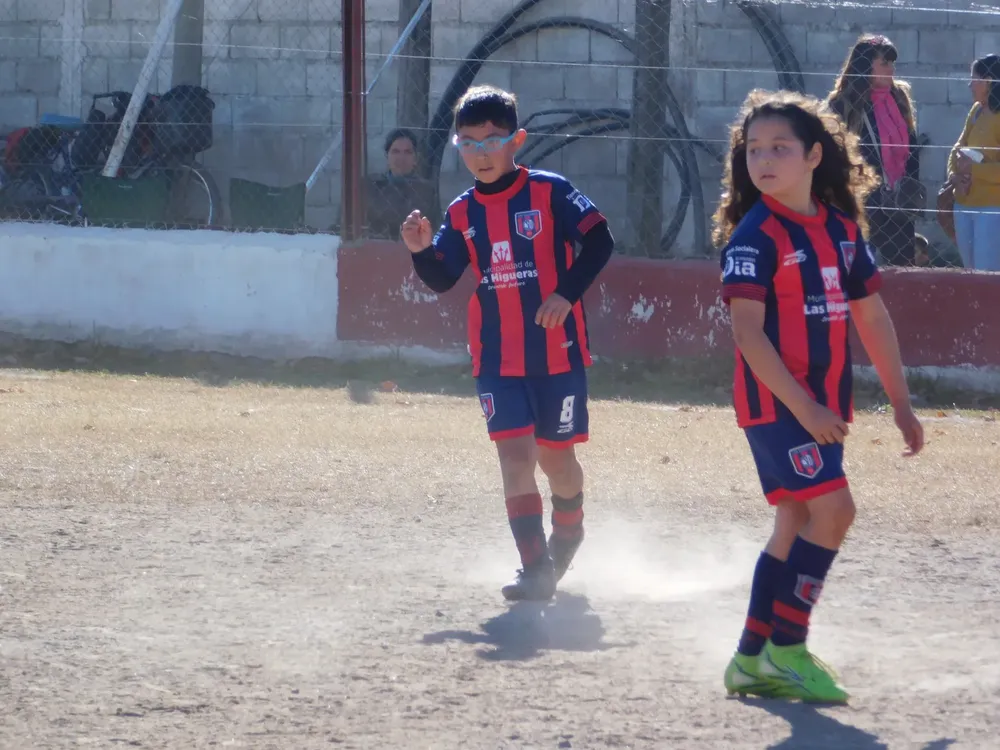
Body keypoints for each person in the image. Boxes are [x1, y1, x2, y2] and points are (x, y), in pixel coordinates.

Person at [714, 89, 924, 703]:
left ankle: (750, 659)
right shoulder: (755, 236)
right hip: (780, 405)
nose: (765, 159)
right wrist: (803, 408)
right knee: (835, 512)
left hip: (820, 404)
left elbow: (873, 317)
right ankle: (789, 647)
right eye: (754, 149)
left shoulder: (839, 230)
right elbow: (747, 335)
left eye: (780, 147)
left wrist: (902, 402)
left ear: (813, 156)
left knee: (798, 518)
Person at [400, 85, 615, 601]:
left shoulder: (550, 191)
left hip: (556, 352)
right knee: (515, 459)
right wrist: (420, 252)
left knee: (555, 459)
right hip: (496, 356)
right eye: (468, 143)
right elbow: (444, 277)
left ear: (516, 140)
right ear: (458, 147)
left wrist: (565, 294)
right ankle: (535, 567)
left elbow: (600, 240)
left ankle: (571, 528)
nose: (480, 152)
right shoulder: (460, 212)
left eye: (491, 140)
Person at [828, 34, 922, 266]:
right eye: (884, 63)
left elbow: (911, 144)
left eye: (892, 64)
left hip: (897, 200)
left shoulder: (899, 96)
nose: (891, 69)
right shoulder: (844, 102)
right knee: (859, 266)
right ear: (864, 66)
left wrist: (910, 186)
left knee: (901, 266)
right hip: (860, 200)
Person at [947, 54, 1000, 271]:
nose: (970, 85)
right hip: (964, 203)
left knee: (986, 275)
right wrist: (954, 176)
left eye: (974, 79)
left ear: (988, 82)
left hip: (991, 208)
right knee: (969, 273)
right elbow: (956, 148)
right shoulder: (977, 111)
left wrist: (974, 171)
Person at [364, 128, 439, 239]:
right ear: (387, 156)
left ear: (415, 158)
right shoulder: (371, 186)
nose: (401, 158)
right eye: (395, 151)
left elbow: (435, 228)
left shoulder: (426, 191)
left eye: (407, 152)